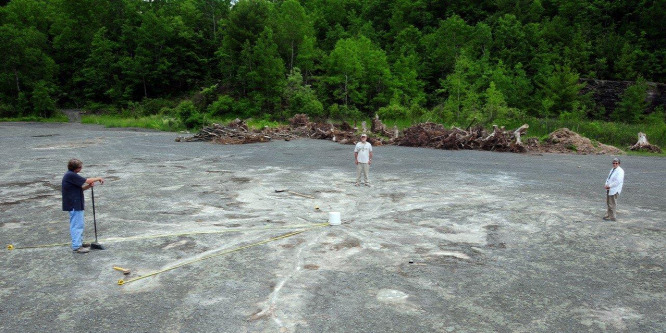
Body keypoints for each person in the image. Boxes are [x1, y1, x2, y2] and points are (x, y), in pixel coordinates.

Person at [62, 159, 104, 253]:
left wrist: (89, 186)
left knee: (79, 224)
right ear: (76, 168)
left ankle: (79, 242)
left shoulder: (73, 176)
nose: (81, 168)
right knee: (76, 225)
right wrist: (98, 178)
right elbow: (87, 180)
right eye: (80, 167)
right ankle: (76, 246)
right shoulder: (71, 175)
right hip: (74, 204)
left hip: (76, 203)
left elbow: (80, 189)